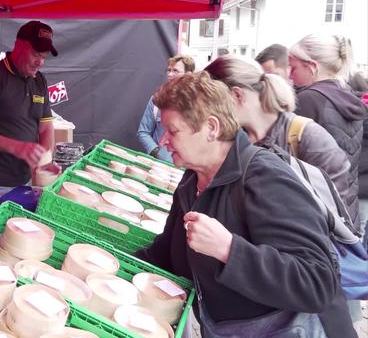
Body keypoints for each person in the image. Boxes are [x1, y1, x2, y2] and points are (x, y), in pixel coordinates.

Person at [135, 72, 355, 337]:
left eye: (172, 131)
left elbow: (317, 282)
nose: (162, 140)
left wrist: (229, 249)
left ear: (211, 128)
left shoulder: (265, 177)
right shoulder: (192, 178)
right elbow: (167, 254)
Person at [204, 55, 359, 229]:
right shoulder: (232, 137)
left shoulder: (309, 137)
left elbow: (336, 215)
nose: (209, 113)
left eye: (211, 103)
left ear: (237, 95)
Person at [0, 20, 61, 213]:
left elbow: (45, 127)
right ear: (18, 44)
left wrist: (45, 161)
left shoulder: (39, 80)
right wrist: (17, 147)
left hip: (24, 179)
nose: (40, 62)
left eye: (44, 56)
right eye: (35, 54)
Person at [289, 33, 368, 234]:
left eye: (294, 67)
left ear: (312, 66)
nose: (290, 75)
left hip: (318, 213)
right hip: (348, 206)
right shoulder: (349, 96)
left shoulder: (309, 100)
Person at [136, 54, 194, 162]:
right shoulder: (157, 100)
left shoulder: (199, 104)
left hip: (186, 169)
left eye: (176, 71)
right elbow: (143, 132)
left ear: (188, 74)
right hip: (158, 167)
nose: (170, 74)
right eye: (169, 70)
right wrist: (157, 152)